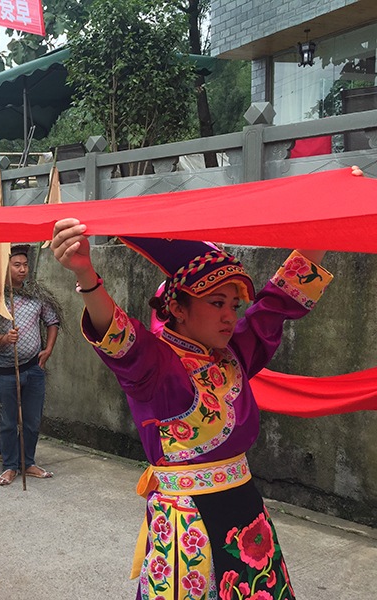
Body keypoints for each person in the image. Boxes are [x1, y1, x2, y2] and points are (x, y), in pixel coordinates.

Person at [51, 218, 334, 600]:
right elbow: (121, 342)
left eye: (234, 305)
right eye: (216, 304)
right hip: (188, 522)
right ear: (178, 309)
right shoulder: (158, 366)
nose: (230, 316)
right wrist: (86, 273)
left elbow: (276, 305)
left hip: (246, 512)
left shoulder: (233, 352)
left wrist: (327, 219)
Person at [0, 245, 60, 486]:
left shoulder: (38, 296)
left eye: (25, 265)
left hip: (33, 368)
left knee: (32, 420)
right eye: (17, 265)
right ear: (6, 267)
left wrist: (48, 349)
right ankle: (10, 466)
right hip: (5, 371)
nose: (23, 269)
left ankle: (29, 462)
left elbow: (53, 320)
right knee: (7, 421)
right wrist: (4, 339)